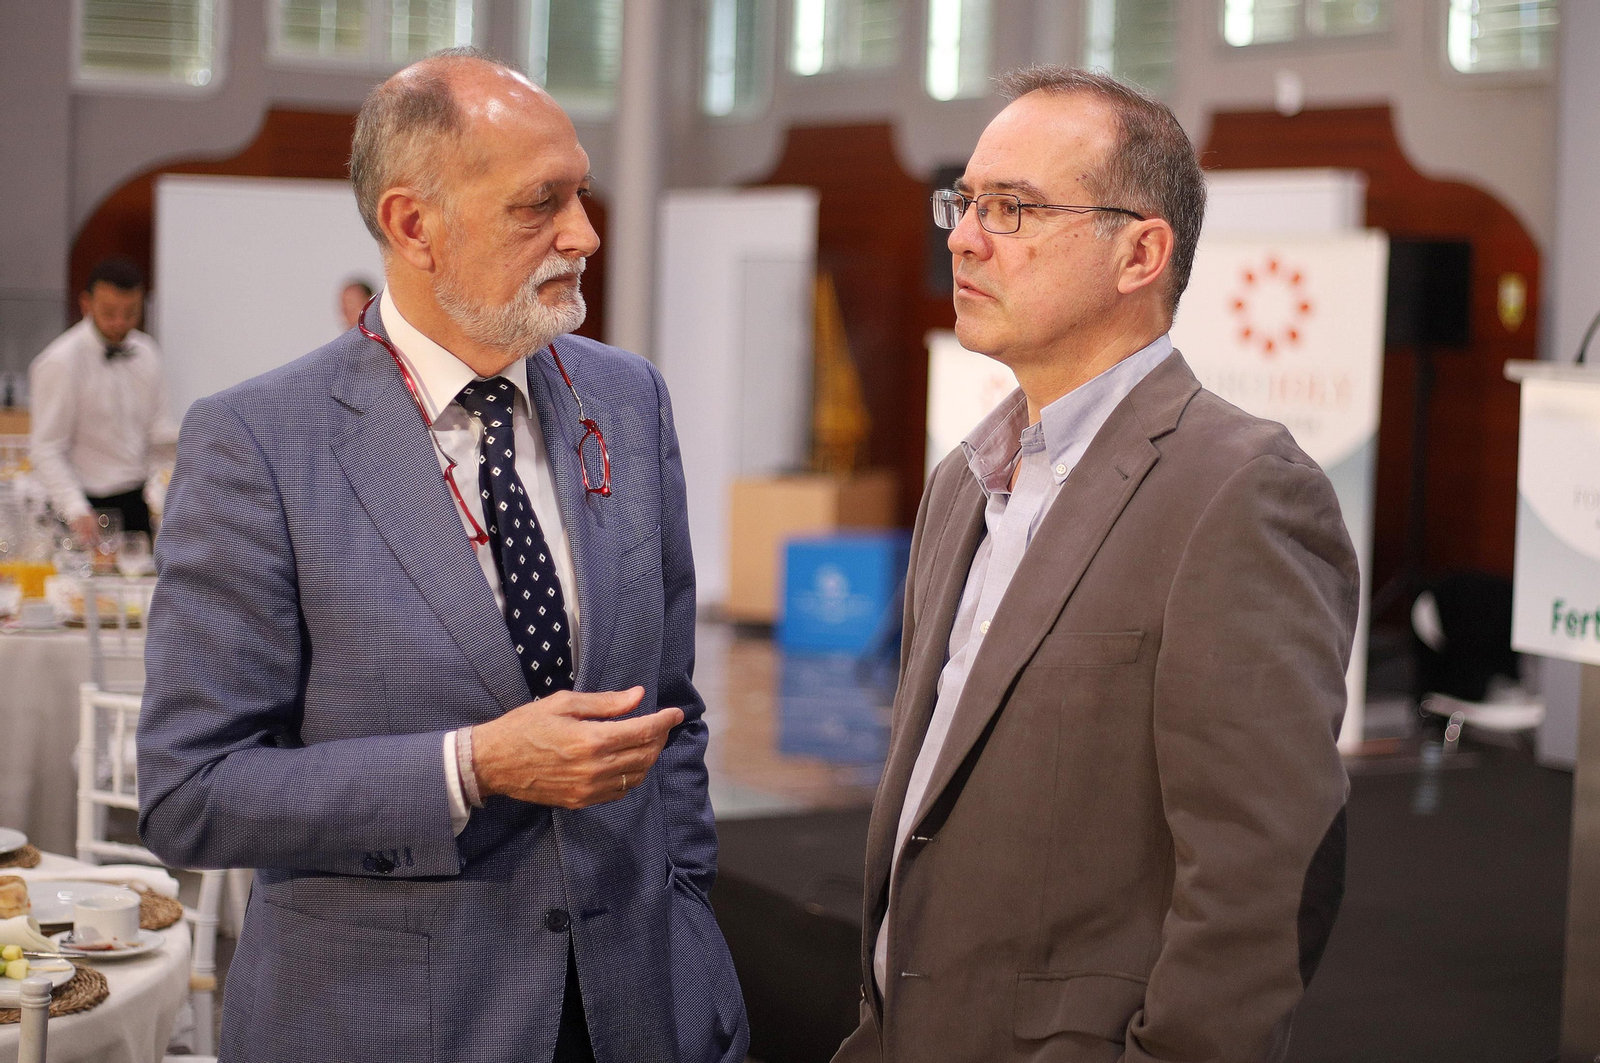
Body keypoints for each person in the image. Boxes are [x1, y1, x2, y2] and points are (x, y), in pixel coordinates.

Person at [137, 49, 748, 1063]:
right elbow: (190, 792)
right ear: (412, 224)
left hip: (637, 1002)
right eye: (538, 204)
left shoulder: (627, 400)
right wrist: (471, 766)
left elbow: (671, 704)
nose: (584, 234)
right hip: (395, 1016)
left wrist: (683, 907)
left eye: (582, 194)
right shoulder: (259, 441)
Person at [832, 67, 1359, 1063]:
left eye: (1013, 208)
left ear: (1140, 252)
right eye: (965, 201)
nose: (962, 235)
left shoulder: (1237, 489)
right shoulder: (963, 484)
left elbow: (1261, 881)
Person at [29, 255, 171, 538]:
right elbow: (46, 449)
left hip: (135, 502)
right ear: (86, 304)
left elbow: (155, 432)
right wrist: (75, 509)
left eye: (131, 313)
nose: (120, 322)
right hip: (82, 505)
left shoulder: (147, 353)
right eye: (109, 312)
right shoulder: (60, 362)